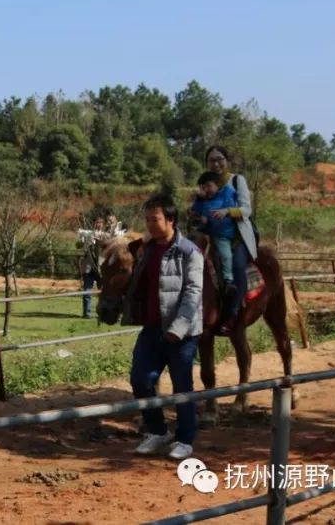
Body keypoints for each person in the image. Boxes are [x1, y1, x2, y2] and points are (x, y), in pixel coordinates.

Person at [125, 192, 203, 461]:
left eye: (154, 219)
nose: (149, 224)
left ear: (171, 220)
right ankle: (157, 431)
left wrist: (179, 327)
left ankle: (185, 439)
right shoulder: (146, 249)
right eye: (146, 219)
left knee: (182, 386)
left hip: (182, 332)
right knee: (140, 379)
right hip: (152, 328)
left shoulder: (189, 252)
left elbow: (193, 292)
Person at [201, 146, 258, 334]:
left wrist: (227, 211)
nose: (216, 163)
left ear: (226, 160)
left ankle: (232, 314)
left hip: (237, 236)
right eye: (211, 160)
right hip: (213, 235)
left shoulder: (236, 180)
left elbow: (246, 210)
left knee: (238, 266)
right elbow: (202, 206)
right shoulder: (206, 183)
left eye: (219, 159)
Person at [190, 170, 240, 332]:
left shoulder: (227, 193)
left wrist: (222, 213)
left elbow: (233, 207)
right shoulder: (202, 200)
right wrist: (197, 213)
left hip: (222, 235)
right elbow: (194, 211)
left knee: (225, 254)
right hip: (205, 233)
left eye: (209, 186)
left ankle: (228, 280)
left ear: (217, 185)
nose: (207, 190)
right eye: (203, 187)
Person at [77, 216, 108, 319]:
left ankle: (102, 313)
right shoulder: (87, 234)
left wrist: (100, 241)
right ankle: (87, 314)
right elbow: (78, 245)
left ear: (103, 224)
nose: (98, 224)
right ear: (93, 223)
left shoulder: (106, 235)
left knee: (103, 292)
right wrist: (83, 241)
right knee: (87, 291)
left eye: (100, 222)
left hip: (101, 268)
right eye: (96, 222)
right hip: (89, 267)